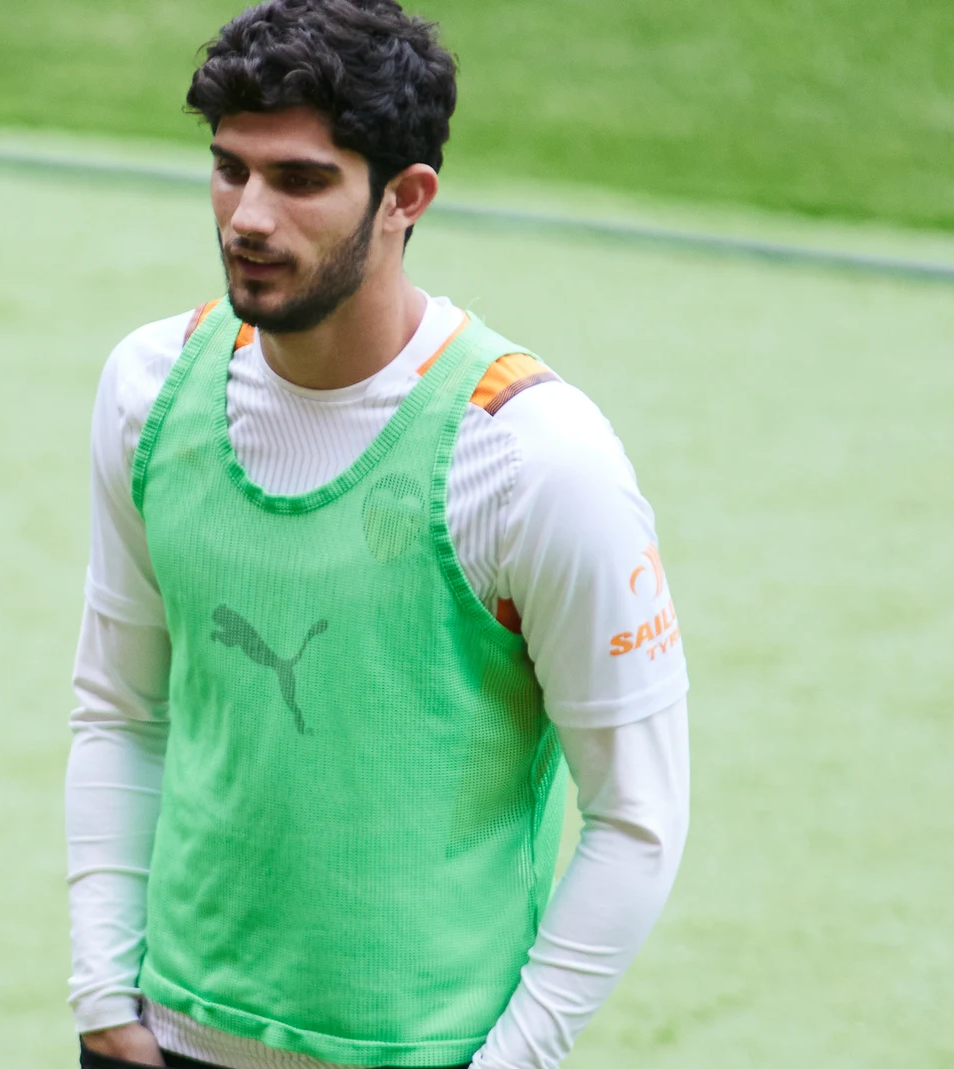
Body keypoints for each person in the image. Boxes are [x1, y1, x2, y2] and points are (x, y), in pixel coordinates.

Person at [65, 2, 690, 1066]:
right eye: (229, 168)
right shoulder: (149, 387)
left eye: (299, 180)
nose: (246, 218)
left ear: (405, 197)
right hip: (158, 1038)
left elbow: (636, 816)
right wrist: (102, 996)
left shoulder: (536, 460)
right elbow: (121, 708)